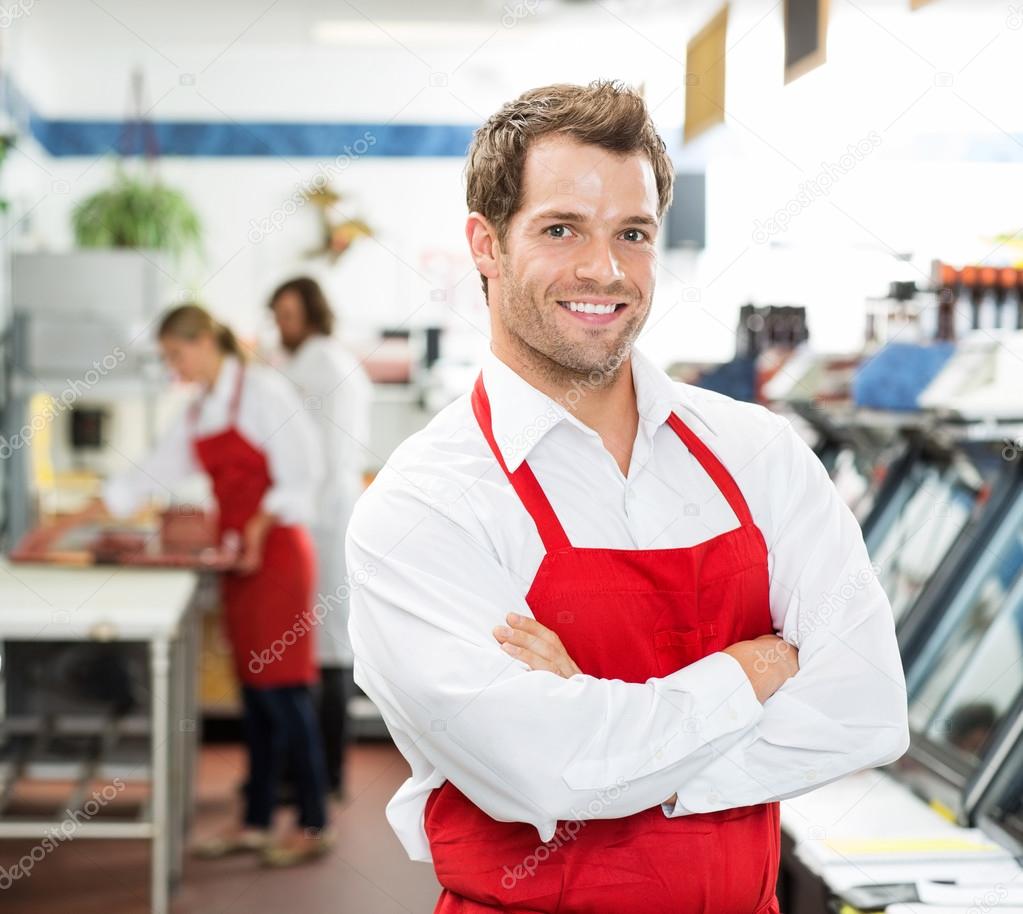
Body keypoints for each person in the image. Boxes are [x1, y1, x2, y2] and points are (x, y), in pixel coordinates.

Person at [346, 82, 910, 913]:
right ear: (485, 245)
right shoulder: (424, 503)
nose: (603, 269)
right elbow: (540, 767)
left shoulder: (757, 453)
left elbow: (865, 709)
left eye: (633, 233)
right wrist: (747, 670)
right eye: (560, 228)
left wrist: (604, 738)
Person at [96, 304, 333, 867]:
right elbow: (149, 473)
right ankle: (254, 821)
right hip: (238, 565)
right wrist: (83, 515)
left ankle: (314, 824)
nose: (174, 366)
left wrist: (253, 524)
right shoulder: (200, 407)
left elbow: (305, 473)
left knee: (284, 693)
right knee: (253, 694)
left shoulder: (264, 393)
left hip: (274, 557)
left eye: (177, 354)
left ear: (205, 341)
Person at [269, 276, 372, 800]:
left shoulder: (322, 364)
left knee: (330, 649)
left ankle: (325, 775)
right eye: (278, 315)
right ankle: (309, 772)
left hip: (327, 523)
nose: (281, 326)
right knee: (317, 647)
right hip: (318, 519)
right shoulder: (312, 360)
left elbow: (326, 459)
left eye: (288, 315)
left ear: (312, 312)